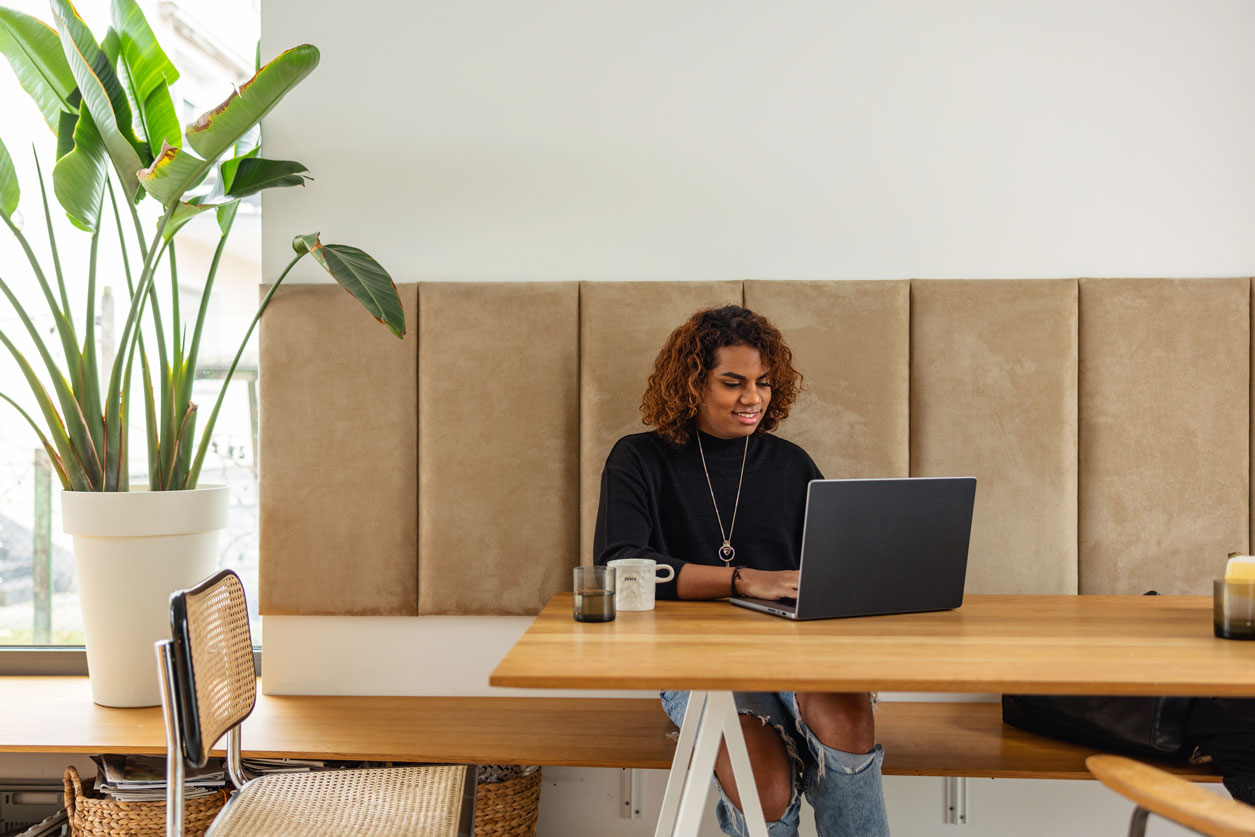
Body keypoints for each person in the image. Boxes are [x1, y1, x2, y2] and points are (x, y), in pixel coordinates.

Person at [593, 305, 889, 837]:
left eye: (763, 383)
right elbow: (619, 566)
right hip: (694, 661)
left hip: (797, 649)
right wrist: (741, 579)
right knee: (764, 783)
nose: (753, 397)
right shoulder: (638, 459)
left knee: (847, 719)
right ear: (692, 383)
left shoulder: (792, 463)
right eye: (733, 383)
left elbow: (833, 565)